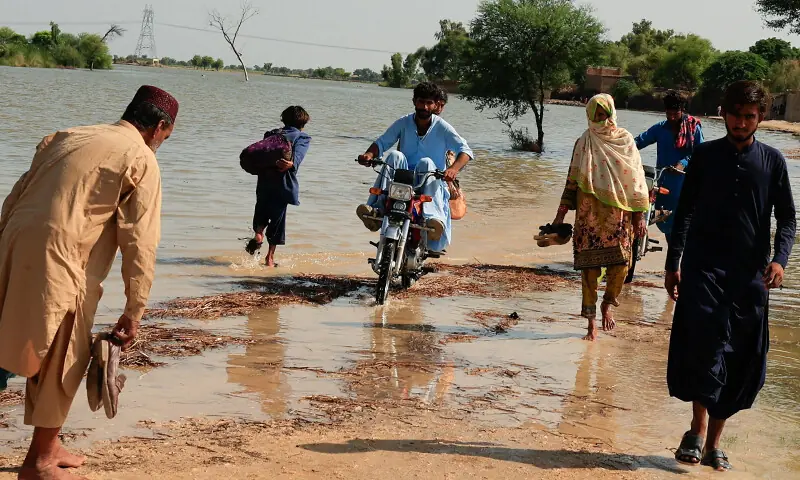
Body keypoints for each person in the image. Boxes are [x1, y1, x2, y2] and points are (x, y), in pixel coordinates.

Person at [0, 85, 177, 480]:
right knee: (64, 356)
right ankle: (40, 461)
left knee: (7, 342)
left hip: (11, 245)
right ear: (160, 126)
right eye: (167, 135)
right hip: (63, 261)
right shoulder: (141, 158)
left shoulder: (67, 136)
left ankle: (50, 446)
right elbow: (140, 242)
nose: (163, 142)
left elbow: (14, 197)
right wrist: (134, 311)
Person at [665, 81, 795, 471]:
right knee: (705, 346)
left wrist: (780, 260)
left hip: (749, 275)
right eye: (736, 114)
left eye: (750, 116)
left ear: (761, 118)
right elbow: (683, 212)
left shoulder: (772, 161)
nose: (741, 122)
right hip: (704, 268)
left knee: (738, 354)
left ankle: (715, 442)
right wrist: (674, 263)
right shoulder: (703, 156)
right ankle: (696, 429)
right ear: (723, 113)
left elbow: (787, 218)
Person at [552, 94, 649, 341]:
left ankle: (608, 302)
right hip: (588, 216)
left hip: (618, 216)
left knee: (622, 266)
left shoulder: (626, 141)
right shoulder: (583, 142)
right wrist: (559, 216)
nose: (600, 122)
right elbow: (572, 181)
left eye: (603, 116)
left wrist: (639, 217)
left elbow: (636, 181)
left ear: (611, 114)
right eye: (595, 117)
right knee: (589, 272)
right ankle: (591, 324)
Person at [356, 82, 473, 253]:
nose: (424, 106)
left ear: (435, 105)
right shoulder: (403, 123)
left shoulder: (442, 127)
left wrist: (453, 169)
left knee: (426, 162)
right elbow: (382, 143)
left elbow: (465, 151)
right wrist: (369, 155)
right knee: (395, 156)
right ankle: (377, 210)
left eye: (428, 103)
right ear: (414, 101)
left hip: (429, 182)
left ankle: (432, 219)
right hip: (402, 181)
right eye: (420, 102)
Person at [634, 90, 704, 243]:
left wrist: (683, 163)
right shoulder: (660, 128)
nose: (672, 117)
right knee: (665, 220)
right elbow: (638, 142)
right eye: (669, 114)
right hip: (663, 181)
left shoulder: (693, 129)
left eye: (675, 114)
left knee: (683, 224)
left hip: (684, 183)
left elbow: (701, 153)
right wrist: (621, 146)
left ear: (682, 110)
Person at [248, 106, 311, 267]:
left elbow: (261, 153)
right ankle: (269, 258)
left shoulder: (270, 134)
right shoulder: (302, 137)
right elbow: (297, 159)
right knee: (277, 221)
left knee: (261, 211)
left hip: (264, 182)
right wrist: (291, 164)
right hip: (283, 185)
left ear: (283, 119)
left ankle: (259, 234)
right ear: (303, 122)